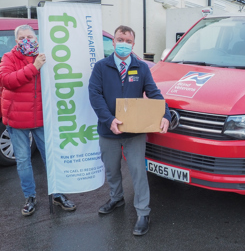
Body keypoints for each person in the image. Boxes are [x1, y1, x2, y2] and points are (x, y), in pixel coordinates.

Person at [88, 25, 171, 236]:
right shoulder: (101, 67)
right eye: (119, 39)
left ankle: (143, 212)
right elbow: (95, 95)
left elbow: (154, 93)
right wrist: (109, 120)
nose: (123, 44)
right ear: (113, 42)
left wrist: (165, 115)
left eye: (128, 41)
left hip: (135, 132)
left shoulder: (141, 68)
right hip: (109, 130)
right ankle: (116, 199)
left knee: (138, 172)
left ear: (133, 44)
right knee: (112, 170)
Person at [0, 25, 76, 216]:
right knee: (24, 161)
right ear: (16, 41)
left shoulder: (44, 56)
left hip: (42, 119)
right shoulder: (9, 58)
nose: (27, 40)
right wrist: (34, 68)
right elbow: (7, 80)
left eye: (30, 36)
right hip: (17, 120)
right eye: (22, 37)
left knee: (50, 159)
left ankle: (58, 195)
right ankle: (30, 197)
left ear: (36, 38)